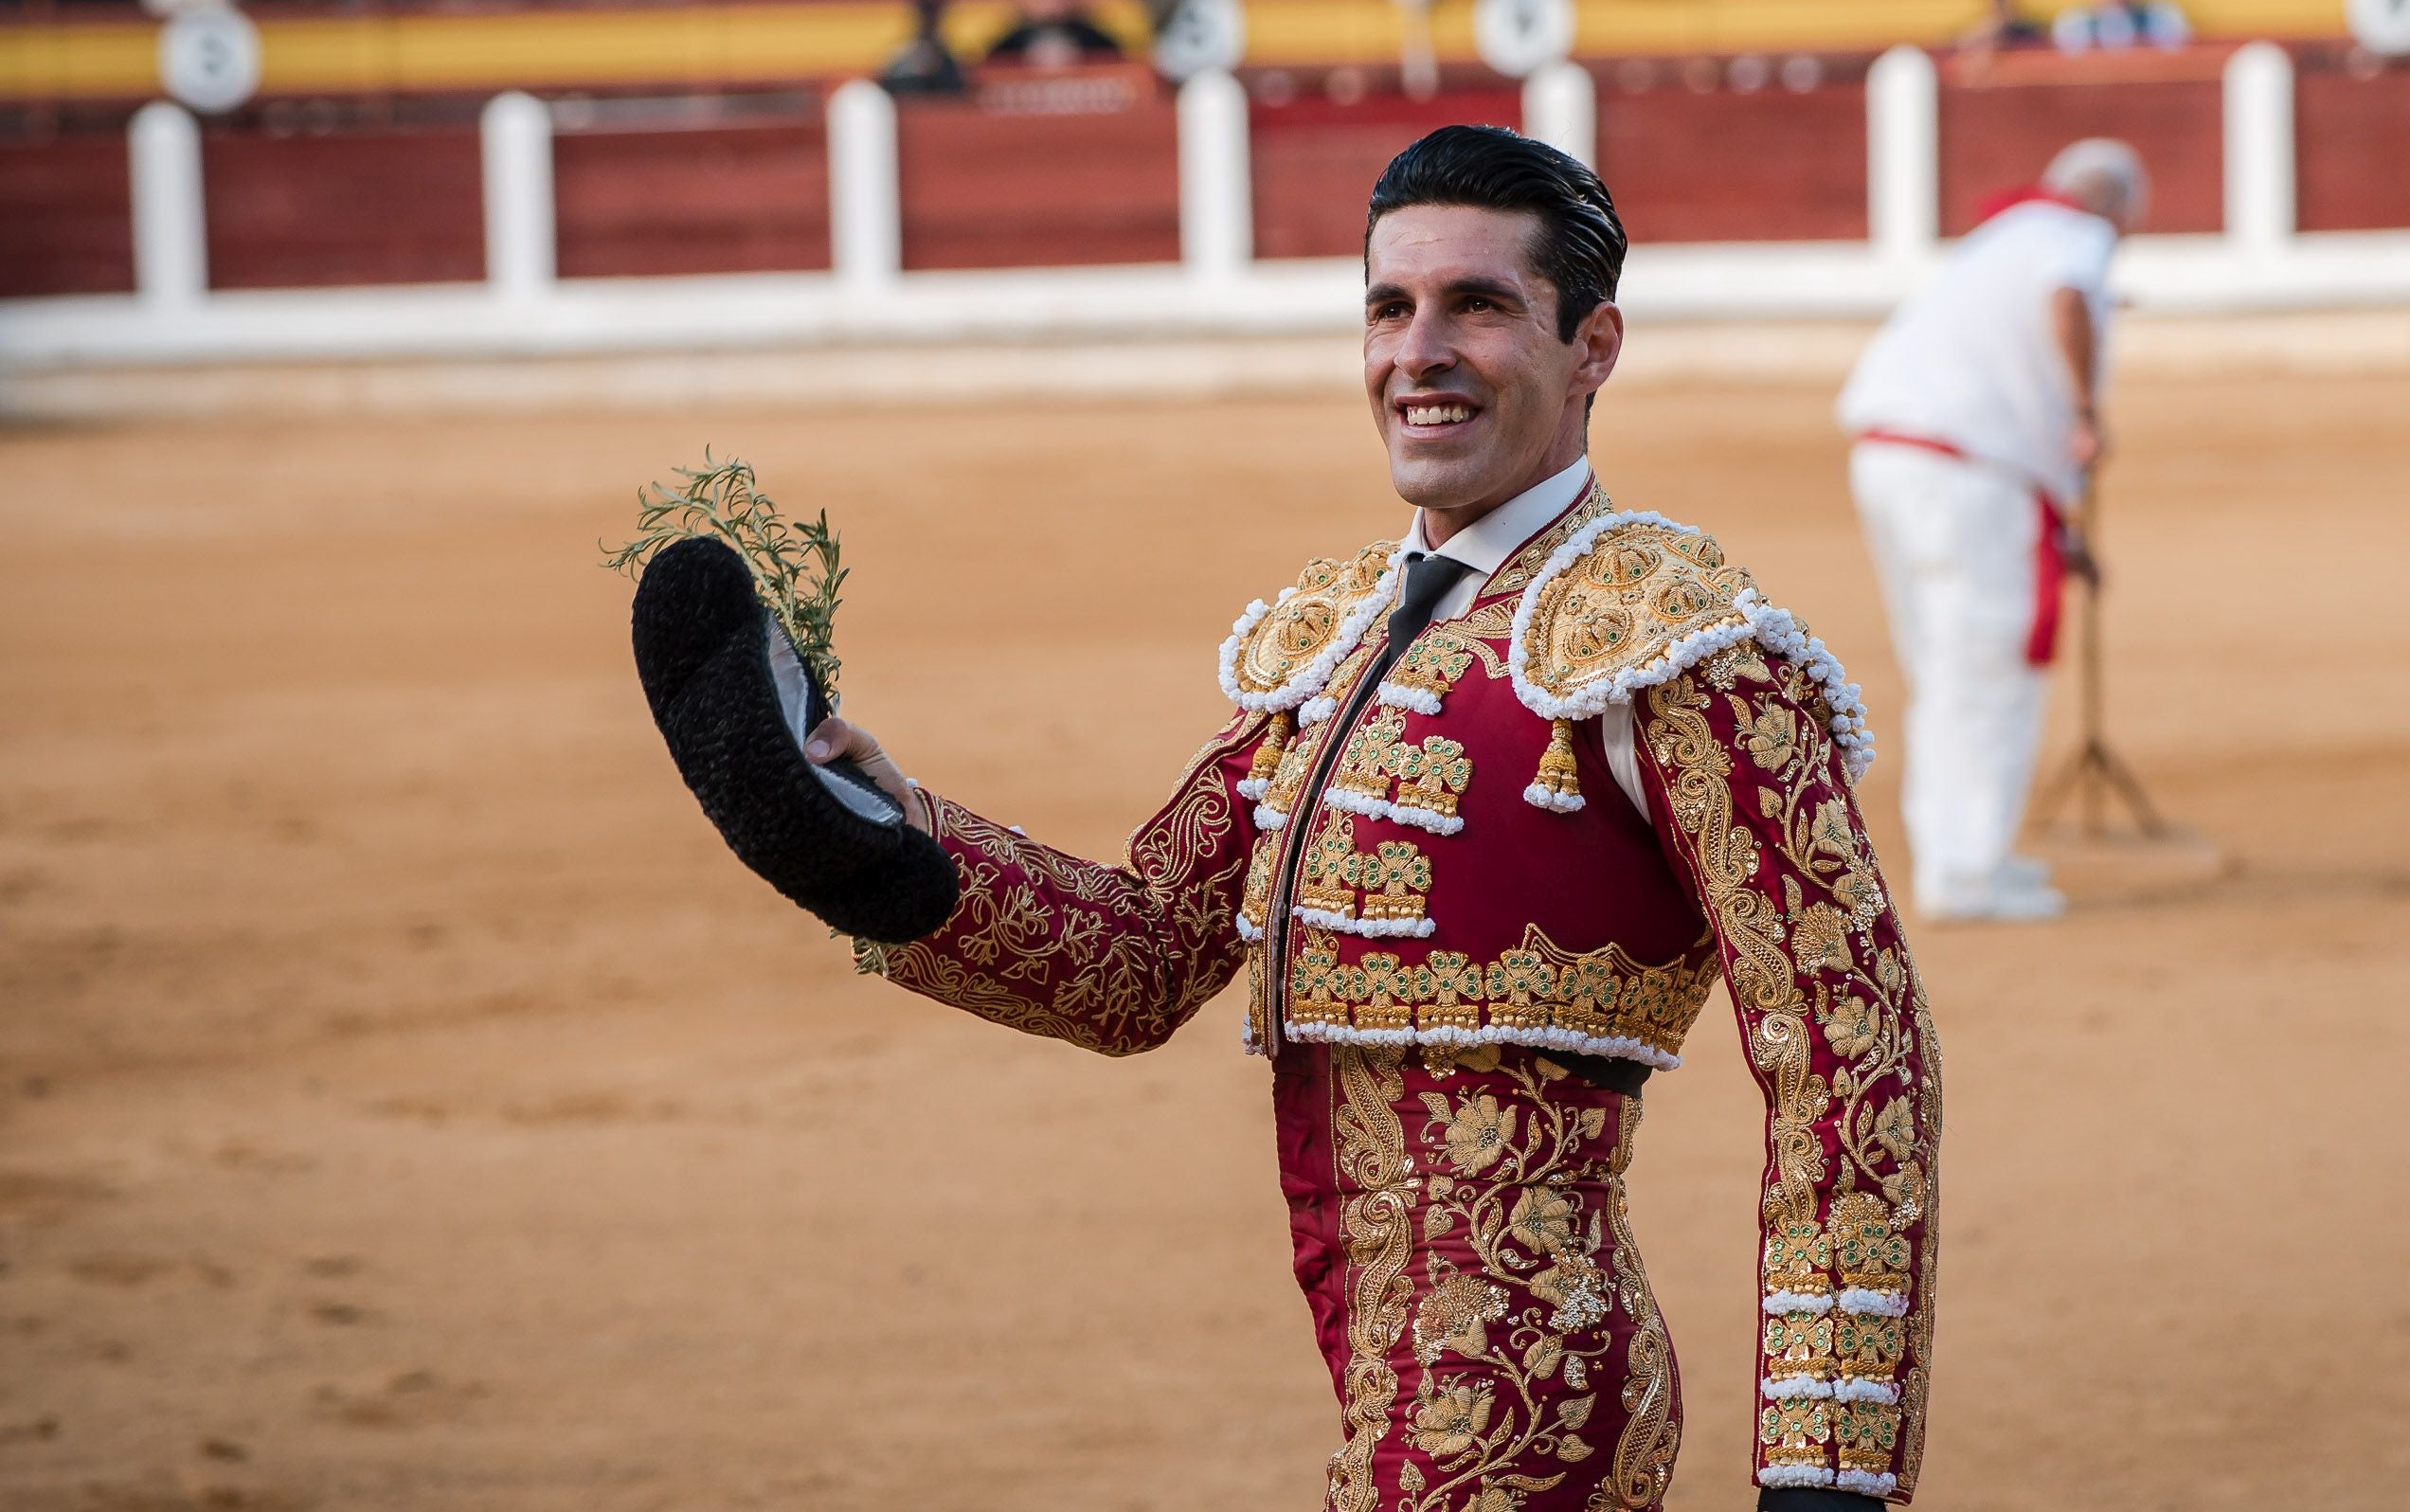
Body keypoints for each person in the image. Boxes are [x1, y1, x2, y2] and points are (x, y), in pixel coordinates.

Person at [680, 127, 1943, 1508]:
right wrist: (870, 841)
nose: (1420, 351)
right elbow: (1142, 958)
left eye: (1478, 305)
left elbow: (1851, 1055)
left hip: (1519, 1404)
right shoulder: (1333, 640)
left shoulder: (1681, 651)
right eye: (1389, 309)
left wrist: (1828, 1472)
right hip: (1387, 1374)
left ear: (1594, 347)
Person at [1836, 140, 2147, 922]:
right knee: (1983, 666)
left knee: (1945, 667)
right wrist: (2084, 413)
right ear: (2115, 209)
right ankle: (1969, 871)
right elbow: (2069, 298)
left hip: (1894, 459)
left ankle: (1957, 856)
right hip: (1967, 473)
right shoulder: (2076, 234)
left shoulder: (2000, 239)